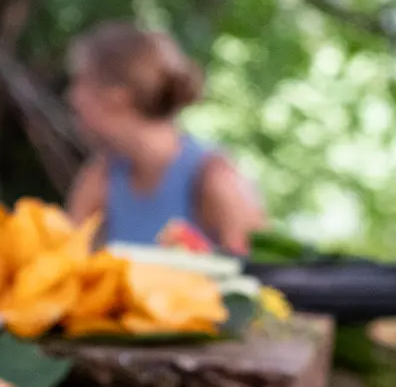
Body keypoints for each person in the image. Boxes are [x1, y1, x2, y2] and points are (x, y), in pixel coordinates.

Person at [65, 21, 265, 255]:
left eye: (81, 82)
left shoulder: (215, 179)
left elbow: (262, 280)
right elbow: (65, 263)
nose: (72, 97)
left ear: (117, 95)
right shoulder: (102, 177)